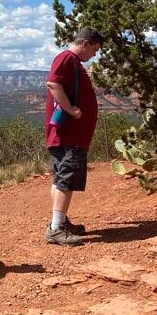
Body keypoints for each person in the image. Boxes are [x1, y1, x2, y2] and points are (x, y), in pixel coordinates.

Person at [44, 27, 104, 246]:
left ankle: (60, 221)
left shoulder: (72, 61)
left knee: (62, 179)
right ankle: (56, 229)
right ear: (86, 43)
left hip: (69, 136)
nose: (94, 55)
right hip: (68, 135)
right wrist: (70, 109)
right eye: (95, 49)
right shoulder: (67, 58)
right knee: (66, 181)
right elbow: (53, 83)